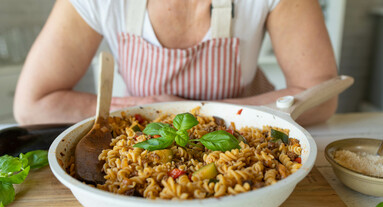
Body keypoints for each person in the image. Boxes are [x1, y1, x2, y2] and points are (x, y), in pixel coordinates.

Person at [13, 0, 338, 126]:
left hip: (246, 138)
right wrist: (148, 106)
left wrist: (186, 112)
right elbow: (33, 105)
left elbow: (322, 96)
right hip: (146, 143)